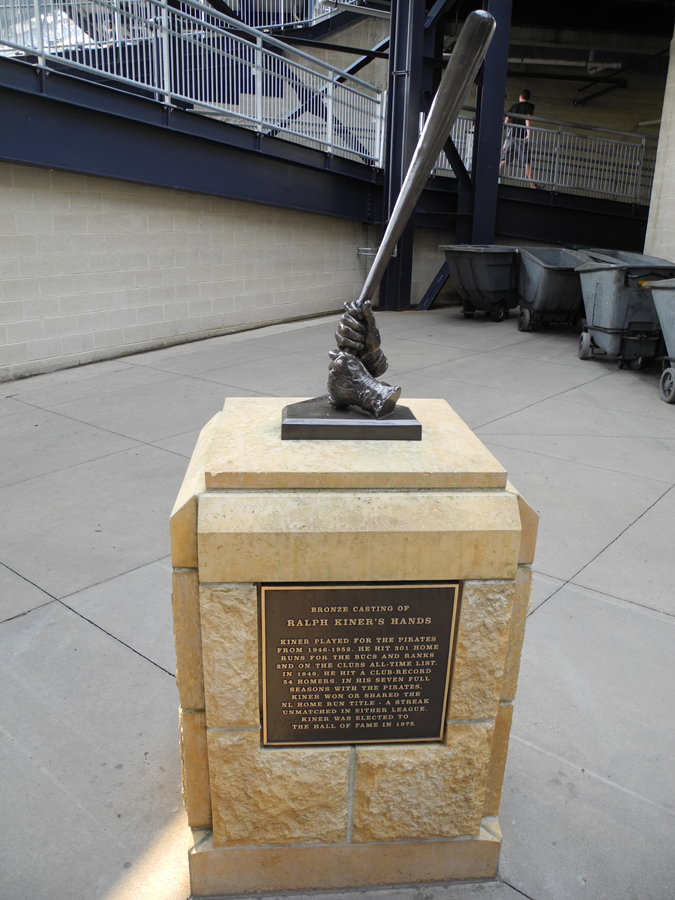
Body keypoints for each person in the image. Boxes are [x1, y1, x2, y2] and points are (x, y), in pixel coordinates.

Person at [500, 89, 537, 188]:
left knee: (504, 159)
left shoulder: (514, 107)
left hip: (511, 136)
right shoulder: (530, 106)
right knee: (526, 161)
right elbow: (527, 119)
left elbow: (506, 121)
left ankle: (495, 178)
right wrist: (528, 133)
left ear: (520, 96)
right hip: (521, 137)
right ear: (528, 98)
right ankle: (532, 185)